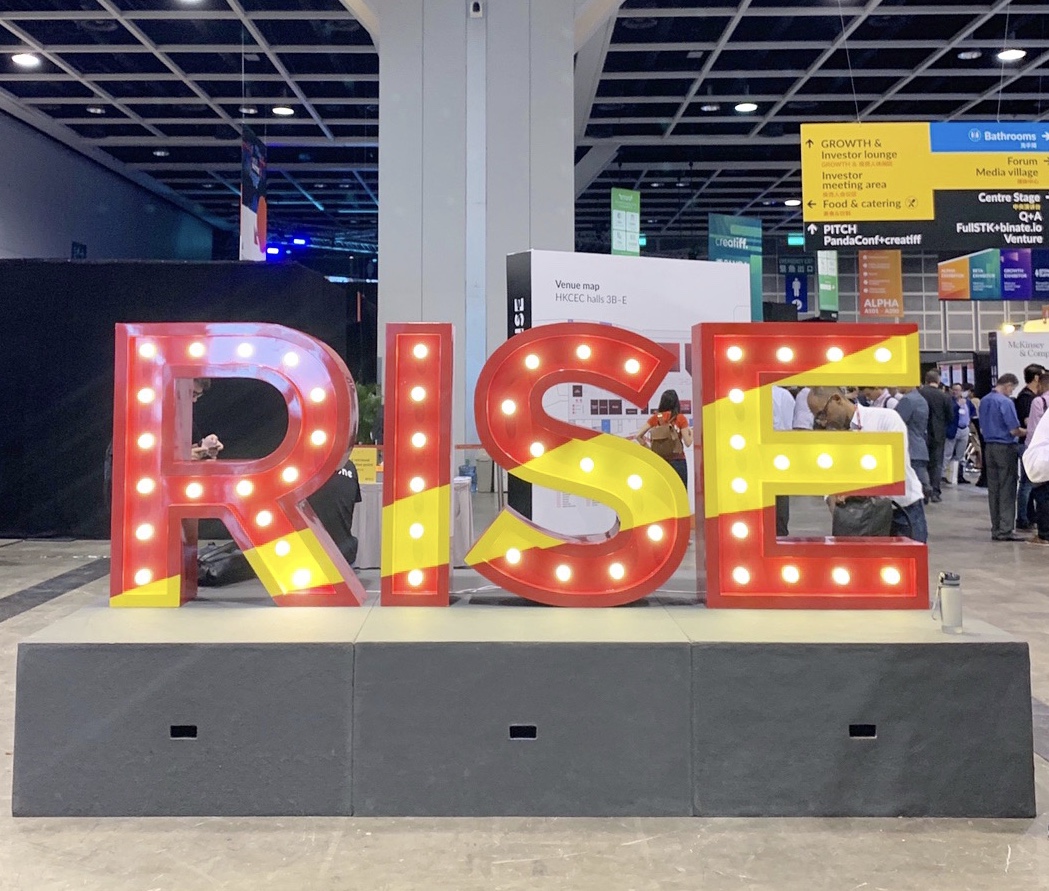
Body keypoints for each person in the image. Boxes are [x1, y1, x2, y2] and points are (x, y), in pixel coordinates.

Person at [807, 387, 927, 542]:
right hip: (859, 517)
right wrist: (833, 501)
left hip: (902, 512)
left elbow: (895, 468)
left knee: (908, 558)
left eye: (823, 414)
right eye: (818, 418)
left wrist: (856, 490)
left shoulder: (886, 418)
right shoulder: (832, 437)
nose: (823, 421)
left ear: (837, 400)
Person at [980, 373, 1025, 541]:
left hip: (989, 447)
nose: (1011, 392)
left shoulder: (985, 400)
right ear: (1008, 385)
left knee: (993, 489)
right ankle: (1005, 529)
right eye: (1012, 389)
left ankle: (996, 528)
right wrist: (1028, 431)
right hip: (1005, 447)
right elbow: (1014, 430)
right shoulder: (1005, 402)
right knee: (1007, 488)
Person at [636, 388, 693, 491]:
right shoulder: (680, 418)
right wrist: (692, 433)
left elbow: (638, 436)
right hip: (678, 461)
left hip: (660, 462)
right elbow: (688, 443)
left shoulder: (655, 418)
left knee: (662, 493)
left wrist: (650, 451)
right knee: (680, 493)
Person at [1014, 363, 1045, 530]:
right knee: (1027, 483)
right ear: (1036, 378)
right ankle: (1023, 518)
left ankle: (1030, 516)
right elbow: (1028, 422)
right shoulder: (1027, 398)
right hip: (1028, 446)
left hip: (1030, 445)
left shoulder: (1032, 397)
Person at [1022, 371, 1049, 546]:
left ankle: (1044, 534)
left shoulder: (1039, 402)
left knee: (1041, 495)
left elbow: (1033, 430)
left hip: (1042, 457)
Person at [918, 370, 953, 503]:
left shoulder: (919, 394)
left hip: (921, 433)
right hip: (939, 434)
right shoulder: (944, 396)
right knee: (937, 464)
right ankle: (935, 492)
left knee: (922, 464)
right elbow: (950, 416)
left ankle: (923, 491)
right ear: (938, 380)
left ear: (925, 380)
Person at [894, 386, 931, 501]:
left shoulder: (907, 400)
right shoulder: (921, 399)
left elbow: (896, 420)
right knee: (920, 475)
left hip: (910, 446)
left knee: (915, 480)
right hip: (919, 445)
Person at [772, 385, 795, 535]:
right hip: (781, 451)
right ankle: (780, 534)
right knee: (780, 494)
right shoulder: (784, 395)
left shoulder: (782, 395)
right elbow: (789, 426)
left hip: (774, 450)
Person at [946, 383, 975, 485]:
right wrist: (958, 405)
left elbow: (972, 411)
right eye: (954, 390)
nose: (956, 392)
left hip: (964, 428)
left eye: (958, 390)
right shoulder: (950, 401)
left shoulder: (967, 402)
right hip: (954, 429)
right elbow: (949, 413)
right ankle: (944, 475)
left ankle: (959, 475)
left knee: (961, 455)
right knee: (948, 453)